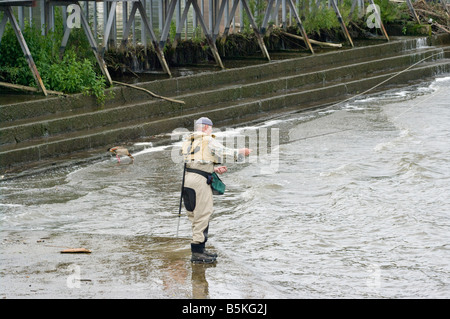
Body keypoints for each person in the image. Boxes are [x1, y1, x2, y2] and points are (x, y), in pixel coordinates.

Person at [181, 117, 251, 263]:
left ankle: (199, 249)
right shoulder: (207, 139)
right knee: (203, 213)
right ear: (207, 127)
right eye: (211, 128)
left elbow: (195, 161)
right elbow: (223, 151)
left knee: (194, 214)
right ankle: (198, 253)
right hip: (199, 182)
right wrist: (241, 152)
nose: (212, 130)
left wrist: (213, 168)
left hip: (187, 179)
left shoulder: (189, 140)